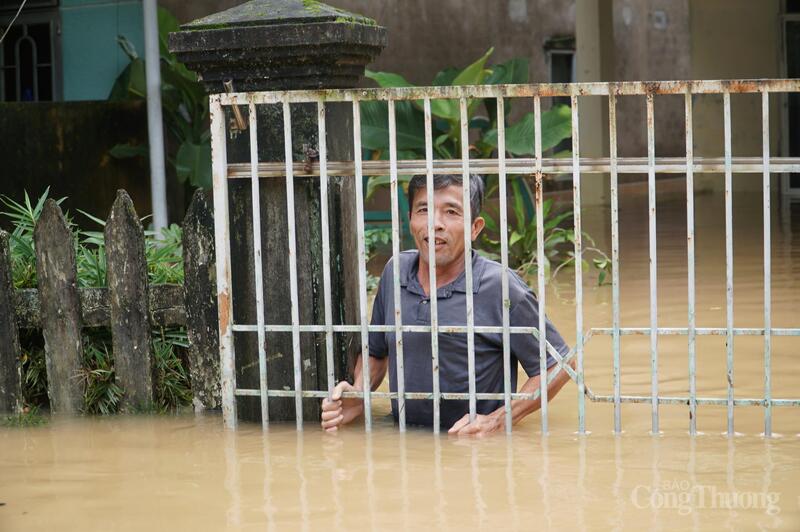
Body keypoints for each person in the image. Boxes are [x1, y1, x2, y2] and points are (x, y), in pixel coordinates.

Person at [321, 173, 575, 436]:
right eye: (423, 210)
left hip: (474, 451)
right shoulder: (394, 273)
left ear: (475, 227)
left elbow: (560, 364)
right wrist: (361, 392)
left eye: (451, 212)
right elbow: (376, 351)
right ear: (410, 219)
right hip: (405, 448)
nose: (435, 223)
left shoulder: (500, 286)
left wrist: (501, 419)